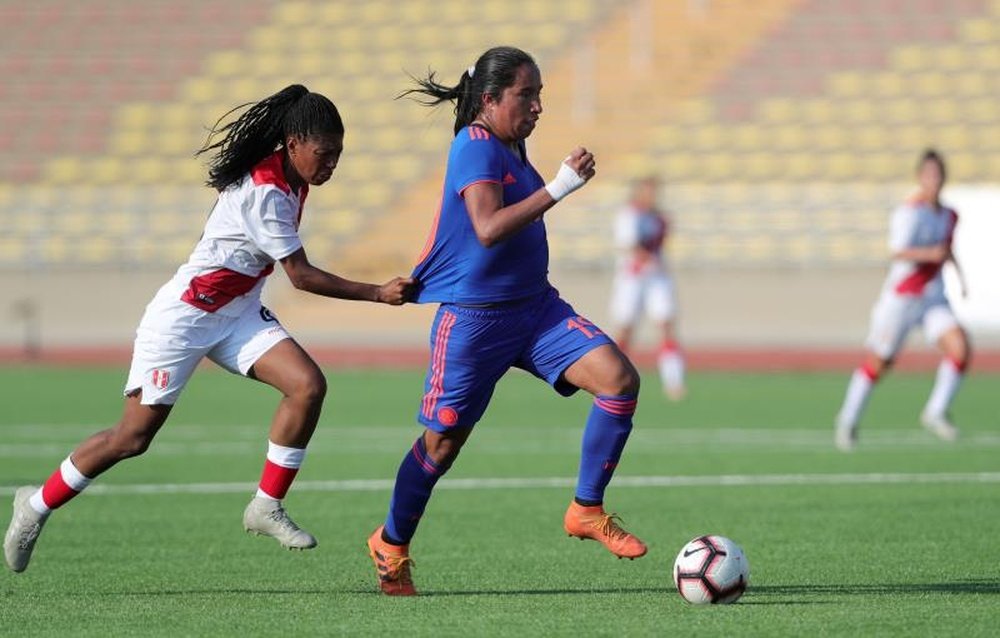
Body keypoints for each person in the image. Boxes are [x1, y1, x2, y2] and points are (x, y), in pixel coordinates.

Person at [4, 84, 416, 573]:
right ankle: (34, 505)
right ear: (293, 143)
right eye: (324, 154)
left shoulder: (292, 176)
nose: (331, 165)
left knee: (307, 386)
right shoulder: (265, 192)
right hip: (185, 318)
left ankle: (265, 505)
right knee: (132, 439)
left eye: (338, 156)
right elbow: (301, 277)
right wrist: (377, 293)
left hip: (237, 311)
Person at [365, 46, 647, 597]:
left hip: (536, 310)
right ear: (490, 99)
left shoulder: (511, 143)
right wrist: (560, 186)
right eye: (528, 94)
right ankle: (391, 545)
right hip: (474, 322)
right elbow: (488, 227)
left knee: (619, 381)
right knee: (442, 446)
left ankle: (586, 509)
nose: (539, 106)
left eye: (540, 93)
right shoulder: (473, 146)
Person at [834, 148, 970, 452]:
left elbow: (947, 250)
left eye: (938, 174)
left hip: (933, 296)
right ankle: (848, 417)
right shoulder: (909, 212)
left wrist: (960, 280)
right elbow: (897, 251)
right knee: (880, 362)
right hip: (903, 298)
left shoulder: (949, 215)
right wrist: (928, 254)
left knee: (960, 347)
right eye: (929, 175)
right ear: (920, 178)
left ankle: (935, 411)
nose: (934, 180)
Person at [609, 175, 686, 400]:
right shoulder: (628, 215)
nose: (652, 196)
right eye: (648, 191)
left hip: (656, 278)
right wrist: (645, 259)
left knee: (666, 326)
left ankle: (674, 382)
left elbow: (660, 243)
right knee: (625, 330)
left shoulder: (659, 217)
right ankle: (613, 377)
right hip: (632, 279)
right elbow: (628, 245)